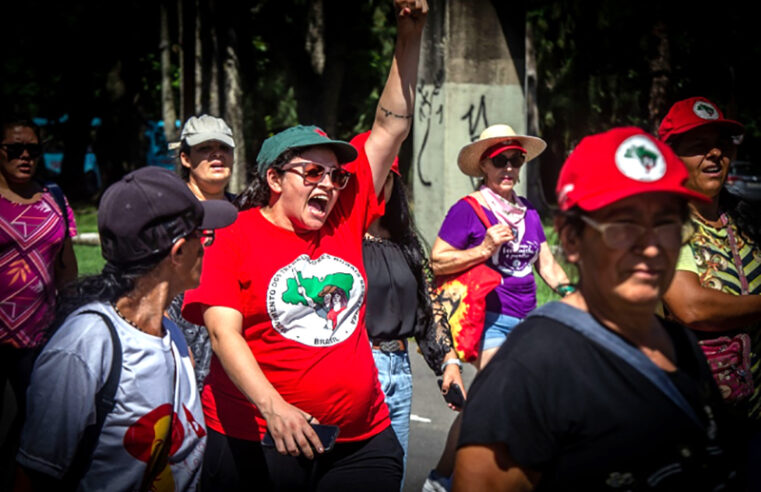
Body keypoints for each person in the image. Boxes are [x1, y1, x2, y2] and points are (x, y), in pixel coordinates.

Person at [181, 2, 427, 490]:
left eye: (335, 174)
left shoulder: (342, 213)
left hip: (363, 439)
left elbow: (391, 126)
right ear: (274, 178)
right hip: (258, 438)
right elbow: (223, 333)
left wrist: (409, 33)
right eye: (312, 172)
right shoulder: (232, 234)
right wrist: (276, 409)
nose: (330, 184)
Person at [452, 127, 740, 490]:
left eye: (666, 223)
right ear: (572, 239)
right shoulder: (528, 369)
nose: (651, 247)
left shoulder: (682, 344)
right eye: (623, 224)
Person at [16, 166, 237, 490]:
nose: (207, 247)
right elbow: (33, 477)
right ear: (177, 252)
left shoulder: (170, 334)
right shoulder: (84, 347)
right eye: (202, 236)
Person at [424, 124, 570, 491]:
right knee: (494, 400)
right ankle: (445, 479)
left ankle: (470, 477)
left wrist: (573, 294)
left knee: (503, 404)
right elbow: (438, 262)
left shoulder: (529, 212)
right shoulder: (469, 210)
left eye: (515, 160)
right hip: (487, 319)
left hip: (528, 321)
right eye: (499, 160)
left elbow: (547, 265)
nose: (508, 168)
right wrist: (484, 248)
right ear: (483, 168)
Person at [658, 96, 761, 487]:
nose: (715, 152)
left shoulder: (745, 219)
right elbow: (691, 307)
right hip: (691, 426)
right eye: (698, 144)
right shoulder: (664, 221)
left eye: (721, 141)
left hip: (753, 422)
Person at [359, 130, 464, 485]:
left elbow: (429, 308)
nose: (377, 186)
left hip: (400, 371)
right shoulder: (339, 243)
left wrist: (448, 363)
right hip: (357, 367)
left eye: (385, 176)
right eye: (368, 177)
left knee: (394, 475)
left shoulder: (406, 244)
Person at [0, 119, 78, 487]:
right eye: (15, 149)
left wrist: (74, 318)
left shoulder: (54, 198)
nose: (25, 156)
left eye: (33, 149)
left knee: (35, 429)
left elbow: (67, 267)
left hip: (41, 337)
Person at [167, 114, 236, 392]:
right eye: (204, 148)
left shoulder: (247, 212)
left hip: (235, 358)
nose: (216, 154)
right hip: (183, 355)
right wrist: (175, 347)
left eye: (223, 148)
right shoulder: (169, 213)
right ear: (185, 158)